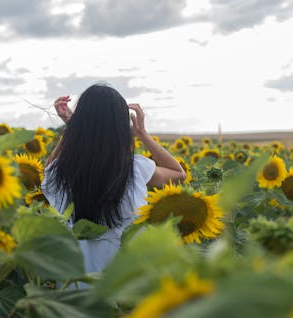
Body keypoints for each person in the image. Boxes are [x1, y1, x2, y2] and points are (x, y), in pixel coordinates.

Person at [41, 83, 185, 273]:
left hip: (74, 287)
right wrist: (143, 134)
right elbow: (178, 174)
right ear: (121, 128)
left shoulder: (62, 172)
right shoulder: (134, 168)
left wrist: (73, 127)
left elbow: (48, 170)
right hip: (123, 286)